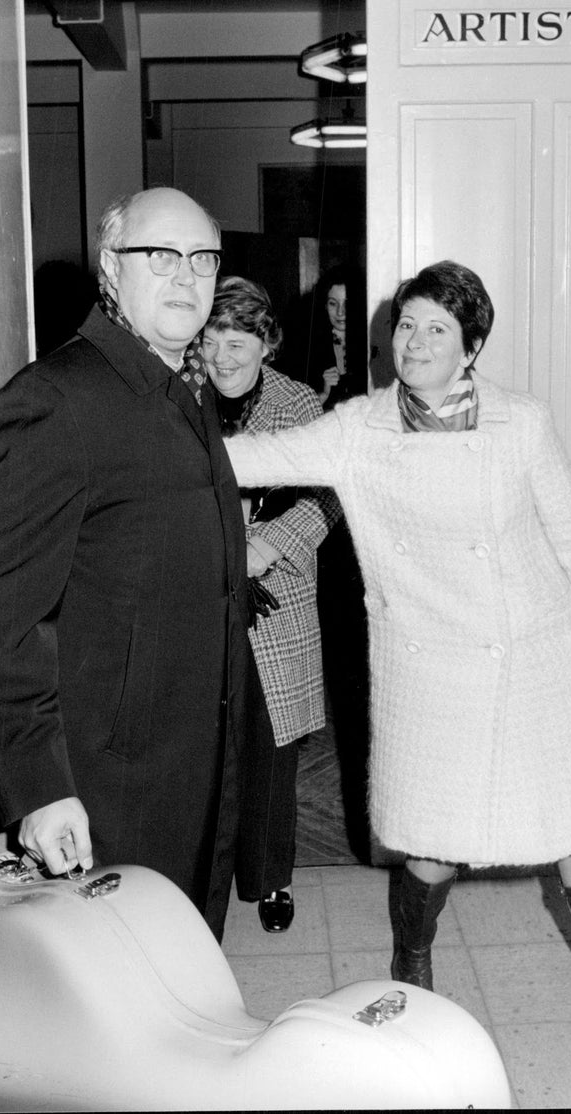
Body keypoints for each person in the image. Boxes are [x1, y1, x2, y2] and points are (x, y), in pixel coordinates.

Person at [223, 259, 571, 1085]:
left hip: (533, 658)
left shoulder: (523, 424)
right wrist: (141, 438)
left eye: (439, 328)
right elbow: (247, 458)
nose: (417, 341)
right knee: (431, 846)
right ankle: (414, 964)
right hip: (429, 668)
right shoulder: (358, 427)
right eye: (406, 324)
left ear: (472, 348)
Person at [0, 186, 262, 942]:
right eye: (160, 256)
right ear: (109, 268)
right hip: (107, 780)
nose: (186, 277)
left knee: (182, 969)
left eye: (202, 258)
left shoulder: (178, 388)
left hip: (191, 755)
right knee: (117, 998)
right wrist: (39, 788)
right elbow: (1, 616)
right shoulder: (56, 401)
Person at [201, 276, 340, 931]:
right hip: (195, 599)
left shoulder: (297, 404)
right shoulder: (177, 397)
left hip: (272, 605)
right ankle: (195, 881)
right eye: (212, 338)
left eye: (240, 340)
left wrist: (268, 546)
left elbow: (326, 495)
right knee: (198, 752)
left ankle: (269, 878)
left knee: (268, 751)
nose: (224, 355)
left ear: (267, 344)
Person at [301, 265, 369, 410]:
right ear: (325, 305)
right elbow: (299, 416)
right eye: (333, 303)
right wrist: (324, 393)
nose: (340, 312)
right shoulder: (309, 346)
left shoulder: (371, 342)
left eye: (347, 304)